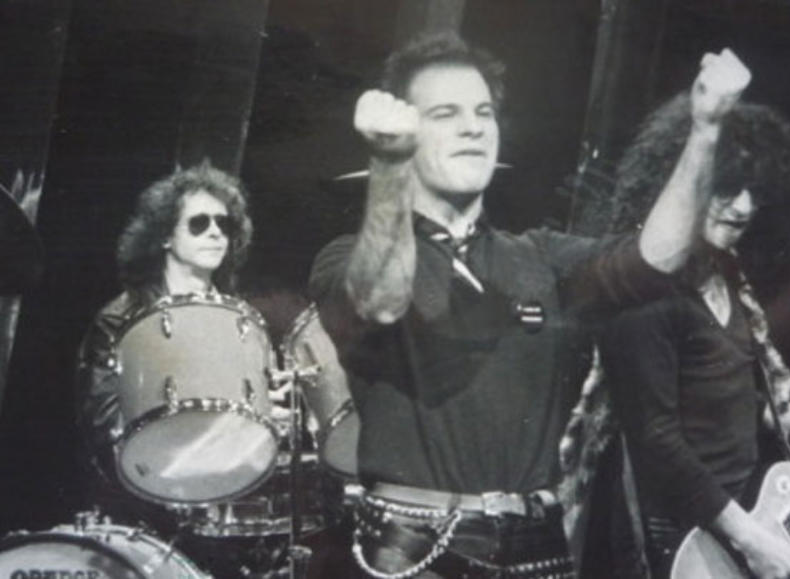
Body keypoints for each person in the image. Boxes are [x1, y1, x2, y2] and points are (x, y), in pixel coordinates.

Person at [308, 31, 751, 578]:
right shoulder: (345, 257)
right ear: (405, 130)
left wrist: (705, 129)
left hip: (538, 552)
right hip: (413, 553)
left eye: (484, 112)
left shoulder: (541, 257)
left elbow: (657, 258)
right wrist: (390, 165)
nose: (473, 127)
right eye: (446, 113)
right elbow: (380, 298)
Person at [600, 94, 790, 579]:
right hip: (678, 542)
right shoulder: (646, 294)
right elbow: (656, 442)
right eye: (727, 187)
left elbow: (734, 404)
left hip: (736, 530)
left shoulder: (727, 278)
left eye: (755, 192)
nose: (744, 207)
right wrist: (750, 539)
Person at [75, 161, 292, 576]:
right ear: (164, 236)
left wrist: (273, 414)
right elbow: (102, 425)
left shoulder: (242, 320)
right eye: (199, 223)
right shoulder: (121, 317)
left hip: (228, 509)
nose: (215, 233)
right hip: (145, 513)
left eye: (224, 224)